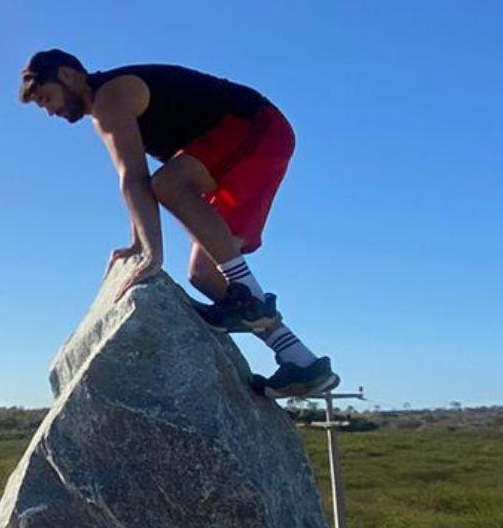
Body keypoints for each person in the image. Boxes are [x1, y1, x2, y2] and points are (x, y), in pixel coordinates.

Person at [18, 49, 338, 398]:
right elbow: (134, 179)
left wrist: (149, 252)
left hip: (255, 126)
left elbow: (133, 178)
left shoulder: (110, 95)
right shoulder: (104, 108)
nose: (49, 111)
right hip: (240, 143)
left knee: (169, 184)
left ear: (67, 75)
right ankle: (301, 362)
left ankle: (249, 299)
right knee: (203, 273)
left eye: (46, 97)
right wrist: (138, 243)